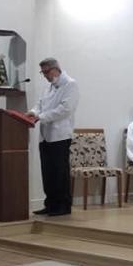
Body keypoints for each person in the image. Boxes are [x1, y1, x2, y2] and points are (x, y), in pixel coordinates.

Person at [27, 57, 79, 217]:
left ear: (56, 69)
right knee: (47, 172)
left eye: (46, 72)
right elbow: (39, 104)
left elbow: (65, 109)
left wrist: (40, 117)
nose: (45, 75)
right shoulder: (48, 87)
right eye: (42, 73)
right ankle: (50, 204)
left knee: (59, 172)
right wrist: (33, 112)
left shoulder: (70, 84)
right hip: (45, 136)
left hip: (60, 136)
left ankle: (63, 205)